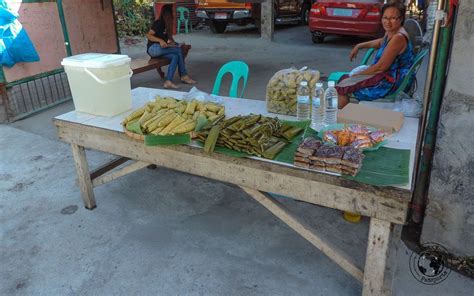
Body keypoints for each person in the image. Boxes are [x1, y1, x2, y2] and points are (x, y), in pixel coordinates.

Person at [335, 1, 414, 109]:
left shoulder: (398, 37)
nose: (387, 22)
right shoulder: (392, 31)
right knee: (345, 81)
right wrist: (359, 45)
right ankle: (345, 115)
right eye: (385, 18)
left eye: (392, 18)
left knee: (345, 85)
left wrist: (356, 76)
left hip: (393, 81)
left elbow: (380, 68)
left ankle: (344, 116)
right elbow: (380, 42)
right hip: (387, 74)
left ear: (401, 19)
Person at [146, 6, 196, 89]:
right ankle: (184, 75)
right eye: (171, 13)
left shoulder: (167, 26)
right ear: (167, 14)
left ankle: (168, 81)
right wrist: (160, 41)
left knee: (175, 56)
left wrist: (177, 44)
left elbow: (169, 42)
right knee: (178, 50)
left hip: (161, 50)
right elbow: (148, 35)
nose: (173, 15)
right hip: (153, 49)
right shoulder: (159, 23)